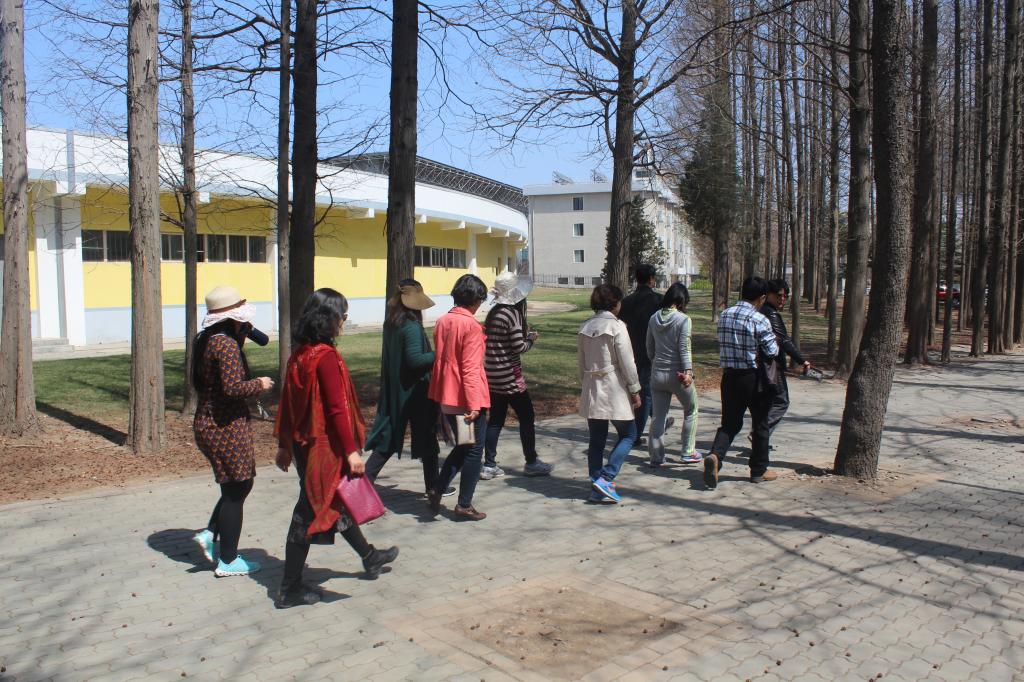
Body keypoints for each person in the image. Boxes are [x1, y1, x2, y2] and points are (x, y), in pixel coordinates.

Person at [273, 289, 399, 609]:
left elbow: (288, 404)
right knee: (309, 511)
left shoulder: (300, 354)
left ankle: (369, 556)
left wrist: (285, 445)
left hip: (305, 445)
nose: (344, 322)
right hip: (323, 448)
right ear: (328, 319)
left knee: (334, 500)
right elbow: (337, 409)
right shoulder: (325, 357)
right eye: (342, 316)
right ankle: (289, 589)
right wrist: (351, 451)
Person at [191, 286, 275, 577]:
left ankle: (210, 533)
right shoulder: (225, 345)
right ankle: (227, 560)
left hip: (216, 424)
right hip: (223, 426)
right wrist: (259, 384)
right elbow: (232, 388)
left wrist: (246, 333)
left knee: (237, 486)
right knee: (236, 488)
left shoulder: (209, 339)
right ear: (232, 319)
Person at [364, 279, 449, 495]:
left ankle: (432, 485)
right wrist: (441, 353)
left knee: (393, 440)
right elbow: (415, 360)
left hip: (397, 389)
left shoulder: (391, 323)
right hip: (415, 391)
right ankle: (432, 486)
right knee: (424, 438)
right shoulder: (411, 327)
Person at [704, 276, 780, 489]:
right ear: (762, 298)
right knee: (760, 423)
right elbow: (772, 351)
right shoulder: (759, 319)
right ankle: (759, 470)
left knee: (730, 423)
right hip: (753, 378)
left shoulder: (725, 315)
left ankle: (716, 456)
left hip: (729, 377)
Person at [426, 274, 490, 521]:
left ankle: (438, 487)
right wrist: (474, 405)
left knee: (464, 446)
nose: (480, 305)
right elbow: (470, 368)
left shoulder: (443, 321)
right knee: (474, 450)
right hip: (465, 398)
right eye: (480, 300)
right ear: (474, 299)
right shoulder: (471, 326)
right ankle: (464, 503)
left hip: (448, 395)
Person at [481, 272, 554, 479]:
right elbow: (518, 347)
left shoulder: (494, 313)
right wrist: (530, 338)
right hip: (510, 377)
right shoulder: (512, 314)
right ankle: (531, 461)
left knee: (496, 420)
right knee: (527, 417)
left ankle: (489, 465)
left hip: (493, 375)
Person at [578, 284, 641, 503]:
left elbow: (581, 363)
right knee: (629, 434)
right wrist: (634, 389)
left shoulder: (585, 326)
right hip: (613, 387)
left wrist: (585, 384)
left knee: (597, 440)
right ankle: (606, 477)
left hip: (592, 386)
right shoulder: (617, 326)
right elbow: (627, 362)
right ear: (614, 303)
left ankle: (597, 487)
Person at [645, 282, 700, 467]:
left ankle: (656, 457)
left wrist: (656, 362)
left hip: (657, 374)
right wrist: (688, 373)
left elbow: (649, 348)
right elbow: (685, 348)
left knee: (658, 416)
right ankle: (688, 451)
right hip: (678, 375)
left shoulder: (653, 318)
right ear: (682, 300)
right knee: (691, 409)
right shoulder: (683, 320)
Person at [617, 264, 663, 449]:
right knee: (646, 393)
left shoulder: (626, 302)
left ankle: (658, 419)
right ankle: (635, 434)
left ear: (637, 279)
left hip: (630, 350)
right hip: (651, 352)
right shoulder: (659, 300)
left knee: (639, 392)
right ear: (651, 279)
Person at [760, 279, 811, 437]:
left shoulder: (761, 311)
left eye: (785, 296)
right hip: (772, 365)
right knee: (781, 401)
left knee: (768, 402)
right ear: (768, 294)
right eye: (779, 295)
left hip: (762, 363)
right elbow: (784, 341)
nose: (782, 299)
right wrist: (802, 360)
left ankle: (760, 438)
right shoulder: (771, 314)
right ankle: (760, 433)